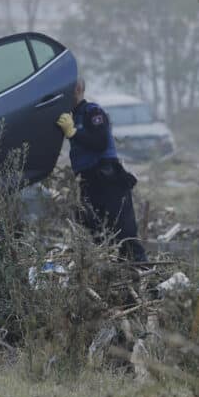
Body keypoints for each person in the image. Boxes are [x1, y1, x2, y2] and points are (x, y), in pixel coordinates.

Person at [56, 78, 148, 262]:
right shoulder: (69, 117)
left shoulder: (93, 112)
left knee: (126, 236)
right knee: (95, 235)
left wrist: (74, 133)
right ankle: (109, 280)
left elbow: (100, 142)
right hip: (88, 183)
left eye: (69, 89)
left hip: (108, 180)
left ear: (79, 89)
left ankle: (144, 276)